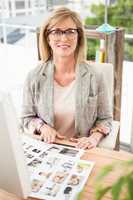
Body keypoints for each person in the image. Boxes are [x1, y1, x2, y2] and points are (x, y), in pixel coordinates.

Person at [21, 7, 112, 149]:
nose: (64, 38)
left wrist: (94, 138)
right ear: (48, 37)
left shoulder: (95, 76)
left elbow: (105, 119)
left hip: (82, 150)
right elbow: (27, 118)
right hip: (47, 149)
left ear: (78, 37)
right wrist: (42, 127)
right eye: (56, 32)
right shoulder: (34, 77)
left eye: (70, 31)